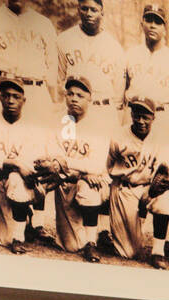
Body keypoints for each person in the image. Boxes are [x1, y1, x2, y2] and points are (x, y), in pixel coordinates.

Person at [0, 71, 48, 251]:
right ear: (0, 97)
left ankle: (19, 237)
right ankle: (21, 220)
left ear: (24, 100)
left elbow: (33, 164)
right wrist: (14, 163)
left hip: (23, 184)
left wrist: (16, 167)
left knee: (16, 179)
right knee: (2, 238)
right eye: (6, 95)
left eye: (16, 96)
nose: (11, 100)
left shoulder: (32, 125)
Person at [107, 90, 169, 266]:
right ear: (131, 114)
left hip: (149, 189)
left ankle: (158, 252)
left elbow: (164, 175)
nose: (141, 121)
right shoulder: (119, 135)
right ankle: (113, 231)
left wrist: (150, 194)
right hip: (125, 188)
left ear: (153, 117)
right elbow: (109, 166)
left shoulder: (162, 137)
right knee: (129, 253)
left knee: (165, 200)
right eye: (137, 116)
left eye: (146, 117)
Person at [50, 72, 110, 260]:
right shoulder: (56, 122)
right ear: (65, 96)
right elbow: (52, 159)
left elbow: (97, 165)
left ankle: (92, 242)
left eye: (80, 95)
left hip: (88, 184)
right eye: (71, 94)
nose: (74, 99)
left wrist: (68, 164)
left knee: (89, 186)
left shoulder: (99, 125)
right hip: (65, 184)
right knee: (70, 246)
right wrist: (80, 172)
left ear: (90, 99)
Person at [0, 0, 58, 121]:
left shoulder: (44, 24)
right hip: (1, 89)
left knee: (35, 135)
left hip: (34, 90)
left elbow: (52, 67)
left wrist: (54, 99)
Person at [123, 4, 169, 145]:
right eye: (149, 20)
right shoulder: (130, 55)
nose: (152, 26)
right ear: (142, 24)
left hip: (163, 117)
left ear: (165, 29)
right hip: (135, 118)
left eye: (158, 22)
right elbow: (123, 90)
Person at [57, 0, 125, 128]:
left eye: (94, 10)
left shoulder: (114, 47)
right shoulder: (64, 40)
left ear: (102, 12)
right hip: (73, 112)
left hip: (103, 110)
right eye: (84, 9)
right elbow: (59, 80)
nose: (89, 14)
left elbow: (118, 95)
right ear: (78, 10)